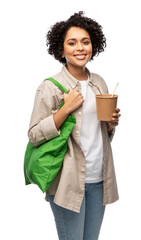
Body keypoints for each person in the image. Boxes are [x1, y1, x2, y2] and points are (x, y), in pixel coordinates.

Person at [28, 11, 121, 240]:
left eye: (85, 42)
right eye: (72, 43)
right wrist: (65, 109)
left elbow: (99, 135)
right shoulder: (50, 87)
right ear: (62, 50)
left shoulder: (99, 82)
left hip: (99, 179)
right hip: (67, 182)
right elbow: (34, 135)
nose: (80, 48)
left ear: (93, 46)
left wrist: (110, 125)